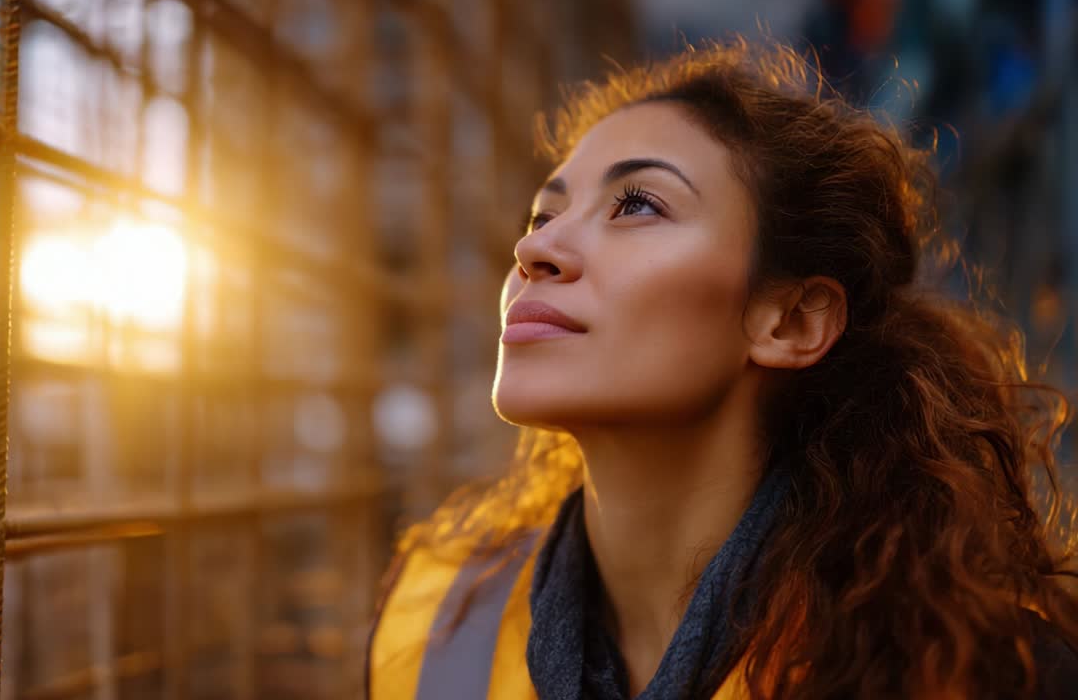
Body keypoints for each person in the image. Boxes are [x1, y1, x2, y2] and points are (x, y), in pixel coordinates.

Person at [366, 38, 1078, 700]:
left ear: (790, 321)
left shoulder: (975, 666)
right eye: (541, 216)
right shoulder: (431, 624)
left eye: (637, 204)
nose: (537, 250)